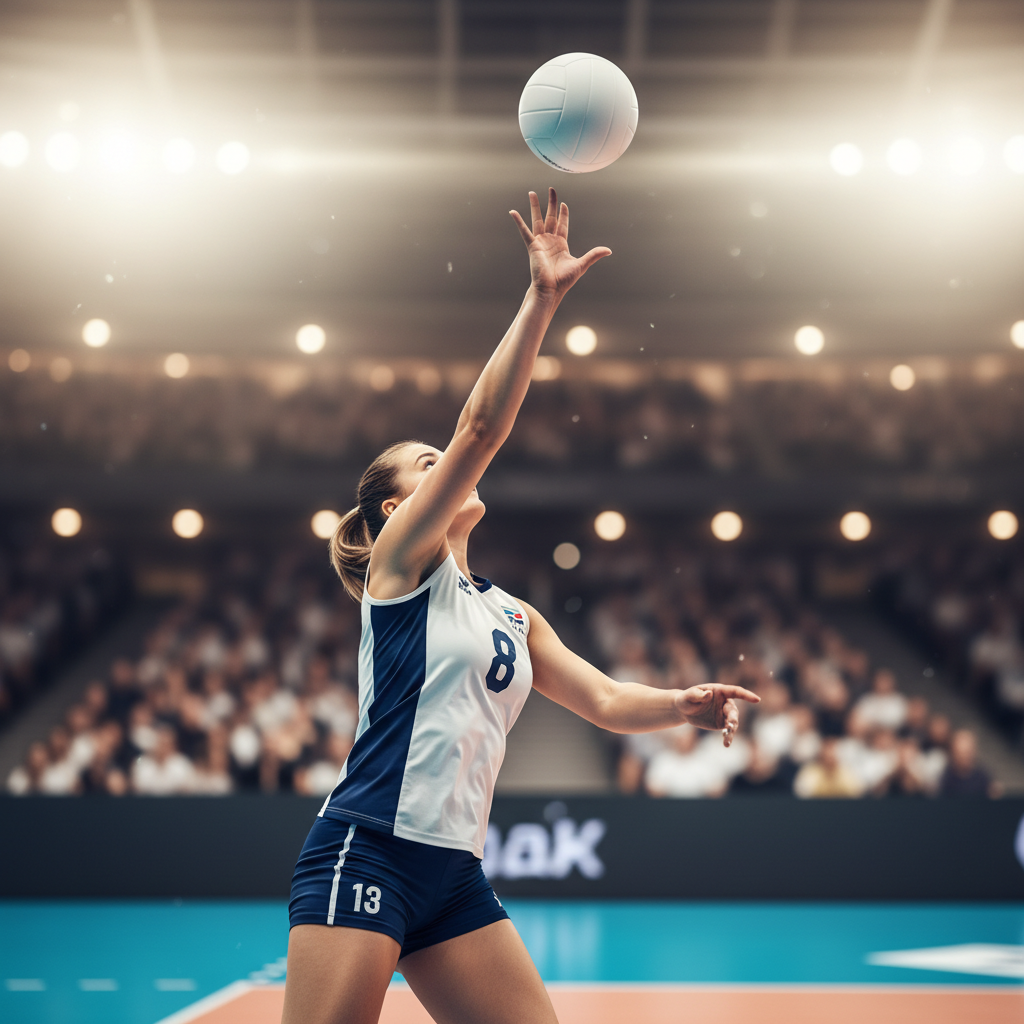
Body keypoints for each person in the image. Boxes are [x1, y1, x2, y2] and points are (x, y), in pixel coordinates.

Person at [282, 189, 760, 1024]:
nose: (451, 467)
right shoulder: (402, 565)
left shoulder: (510, 613)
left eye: (440, 460)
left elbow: (605, 701)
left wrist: (681, 705)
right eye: (425, 466)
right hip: (368, 848)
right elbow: (478, 432)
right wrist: (541, 299)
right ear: (397, 510)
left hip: (453, 872)